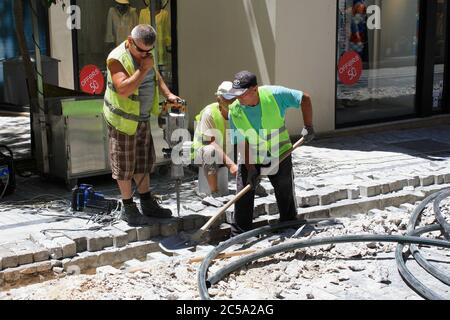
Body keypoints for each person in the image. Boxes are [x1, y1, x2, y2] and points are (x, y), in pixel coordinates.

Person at [103, 24, 182, 226]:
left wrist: (168, 94)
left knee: (143, 162)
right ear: (130, 41)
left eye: (149, 50)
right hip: (123, 122)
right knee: (125, 165)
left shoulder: (145, 55)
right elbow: (123, 89)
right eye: (141, 50)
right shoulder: (117, 58)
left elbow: (156, 76)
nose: (145, 54)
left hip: (142, 118)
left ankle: (146, 201)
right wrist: (143, 69)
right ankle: (128, 207)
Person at [227, 71, 315, 236]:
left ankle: (288, 223)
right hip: (252, 155)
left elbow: (305, 98)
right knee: (243, 192)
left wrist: (308, 126)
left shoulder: (275, 95)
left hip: (279, 151)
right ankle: (239, 233)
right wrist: (251, 168)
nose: (238, 98)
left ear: (254, 89)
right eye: (236, 94)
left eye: (242, 94)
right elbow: (241, 142)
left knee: (284, 188)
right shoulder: (235, 111)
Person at [192, 81, 238, 196]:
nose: (231, 102)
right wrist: (231, 165)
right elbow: (210, 142)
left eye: (233, 98)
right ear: (219, 100)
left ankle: (252, 185)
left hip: (224, 150)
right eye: (227, 98)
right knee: (210, 152)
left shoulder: (238, 112)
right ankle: (214, 193)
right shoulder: (210, 113)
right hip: (203, 152)